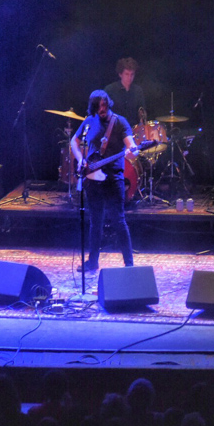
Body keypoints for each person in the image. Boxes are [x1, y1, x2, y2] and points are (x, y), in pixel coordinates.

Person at [70, 90, 137, 272]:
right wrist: (80, 159)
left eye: (105, 105)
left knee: (119, 220)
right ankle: (92, 262)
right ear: (93, 106)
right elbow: (74, 142)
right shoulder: (89, 121)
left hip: (114, 178)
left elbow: (132, 146)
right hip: (92, 178)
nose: (102, 109)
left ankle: (129, 264)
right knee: (95, 221)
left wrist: (133, 150)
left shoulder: (119, 121)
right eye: (99, 106)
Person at [104, 57, 146, 126]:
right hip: (114, 130)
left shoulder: (138, 91)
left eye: (132, 74)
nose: (129, 78)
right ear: (120, 74)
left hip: (133, 131)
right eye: (127, 74)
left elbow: (141, 113)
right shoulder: (110, 90)